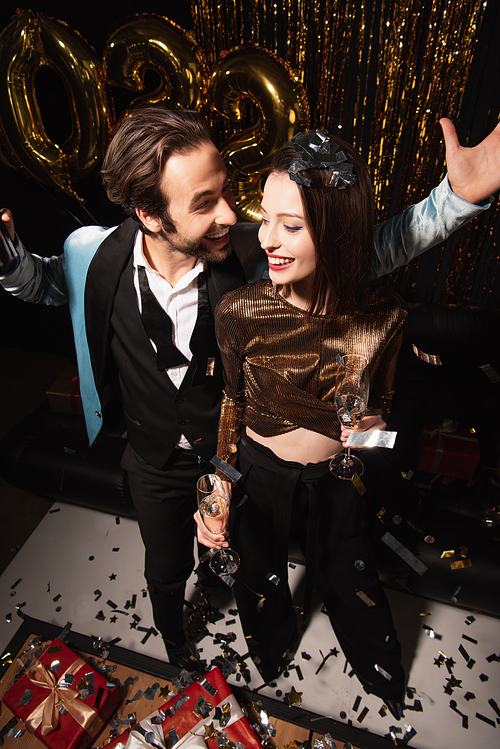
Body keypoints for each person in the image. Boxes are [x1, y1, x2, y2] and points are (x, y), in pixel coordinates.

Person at [0, 107, 498, 672]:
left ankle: (235, 600)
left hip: (234, 454)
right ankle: (173, 636)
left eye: (225, 192)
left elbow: (358, 251)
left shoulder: (247, 253)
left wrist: (453, 200)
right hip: (152, 457)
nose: (231, 214)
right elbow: (44, 286)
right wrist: (7, 257)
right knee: (164, 565)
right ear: (149, 214)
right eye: (203, 203)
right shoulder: (93, 256)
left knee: (237, 554)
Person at [198, 130, 431, 719]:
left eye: (291, 225)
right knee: (259, 577)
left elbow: (385, 420)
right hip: (258, 471)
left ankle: (382, 680)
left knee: (351, 579)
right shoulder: (238, 312)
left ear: (337, 229)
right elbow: (231, 402)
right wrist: (218, 490)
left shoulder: (385, 319)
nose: (267, 240)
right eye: (264, 218)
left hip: (334, 478)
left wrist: (377, 431)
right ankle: (271, 654)